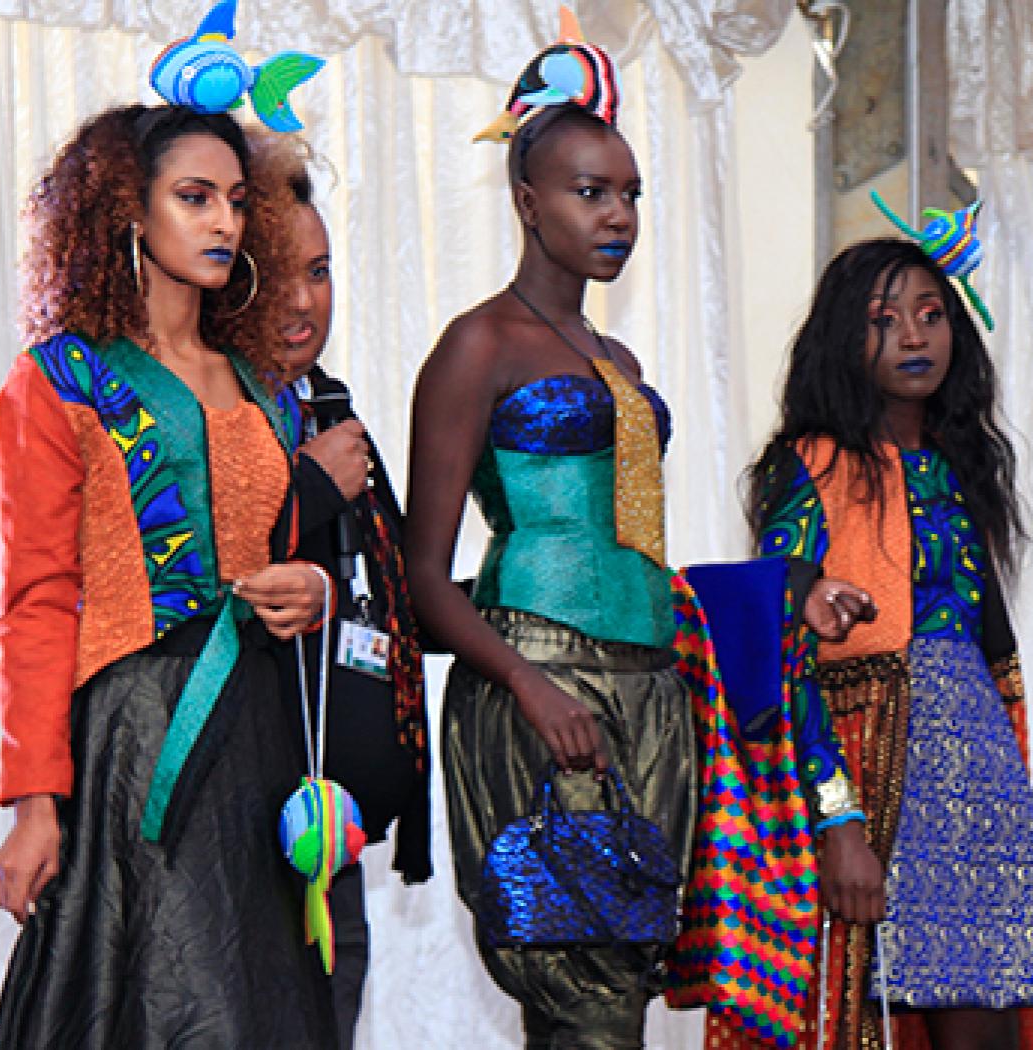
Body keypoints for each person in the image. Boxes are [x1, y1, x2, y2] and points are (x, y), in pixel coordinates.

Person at [0, 97, 337, 1046]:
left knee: (261, 1008)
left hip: (261, 730)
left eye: (236, 199)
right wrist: (33, 803)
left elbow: (287, 552)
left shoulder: (268, 386)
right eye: (194, 197)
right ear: (128, 211)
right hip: (137, 740)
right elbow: (35, 601)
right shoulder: (60, 380)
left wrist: (310, 592)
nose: (224, 221)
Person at [403, 13, 696, 1047]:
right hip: (540, 683)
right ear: (528, 201)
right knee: (583, 999)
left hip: (650, 694)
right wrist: (531, 687)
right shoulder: (478, 345)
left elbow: (637, 547)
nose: (618, 215)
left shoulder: (619, 359)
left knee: (618, 992)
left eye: (630, 195)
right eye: (590, 192)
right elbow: (420, 579)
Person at [741, 232, 1033, 1050]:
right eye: (884, 319)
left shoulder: (962, 467)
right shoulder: (809, 466)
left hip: (976, 777)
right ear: (844, 336)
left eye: (931, 315)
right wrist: (838, 819)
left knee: (989, 1030)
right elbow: (784, 654)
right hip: (875, 774)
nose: (913, 336)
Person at [263, 138, 432, 1049]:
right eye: (278, 274)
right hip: (238, 819)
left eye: (320, 271)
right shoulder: (209, 416)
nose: (304, 301)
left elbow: (394, 595)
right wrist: (313, 490)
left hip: (331, 827)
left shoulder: (331, 409)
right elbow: (200, 582)